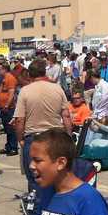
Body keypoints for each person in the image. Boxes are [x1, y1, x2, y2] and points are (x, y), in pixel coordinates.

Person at [14, 59, 73, 196]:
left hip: (34, 138)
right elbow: (66, 115)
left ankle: (37, 211)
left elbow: (19, 120)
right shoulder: (57, 88)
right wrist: (68, 136)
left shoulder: (25, 91)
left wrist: (20, 138)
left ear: (29, 74)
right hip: (55, 137)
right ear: (44, 72)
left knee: (36, 178)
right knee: (57, 175)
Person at [0, 61, 19, 156]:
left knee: (11, 129)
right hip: (3, 107)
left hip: (8, 108)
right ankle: (8, 146)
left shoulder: (10, 78)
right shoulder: (4, 78)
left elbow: (11, 93)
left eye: (0, 69)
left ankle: (13, 147)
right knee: (7, 129)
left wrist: (7, 105)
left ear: (5, 69)